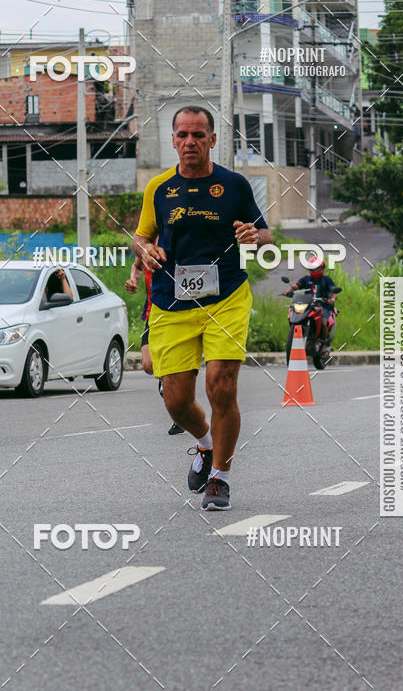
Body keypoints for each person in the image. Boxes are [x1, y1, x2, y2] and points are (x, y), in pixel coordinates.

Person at [131, 105, 273, 510]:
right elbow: (140, 237)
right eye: (182, 134)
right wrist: (145, 249)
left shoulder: (234, 185)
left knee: (221, 386)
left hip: (226, 297)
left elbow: (266, 235)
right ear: (173, 140)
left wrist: (254, 236)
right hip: (171, 301)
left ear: (212, 139)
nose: (189, 141)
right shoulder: (159, 188)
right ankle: (206, 444)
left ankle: (220, 478)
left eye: (198, 134)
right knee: (176, 402)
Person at [125, 255, 184, 435]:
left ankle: (180, 416)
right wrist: (133, 280)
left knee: (171, 369)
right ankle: (166, 381)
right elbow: (136, 266)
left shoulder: (173, 248)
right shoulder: (145, 250)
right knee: (148, 365)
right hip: (154, 314)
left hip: (177, 314)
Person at [282, 257, 336, 357]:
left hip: (323, 305)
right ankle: (295, 335)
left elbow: (334, 291)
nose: (315, 270)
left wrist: (332, 299)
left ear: (322, 268)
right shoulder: (306, 279)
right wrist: (288, 291)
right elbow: (295, 286)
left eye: (317, 268)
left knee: (324, 322)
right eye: (313, 268)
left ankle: (324, 344)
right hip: (308, 304)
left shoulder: (327, 280)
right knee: (291, 315)